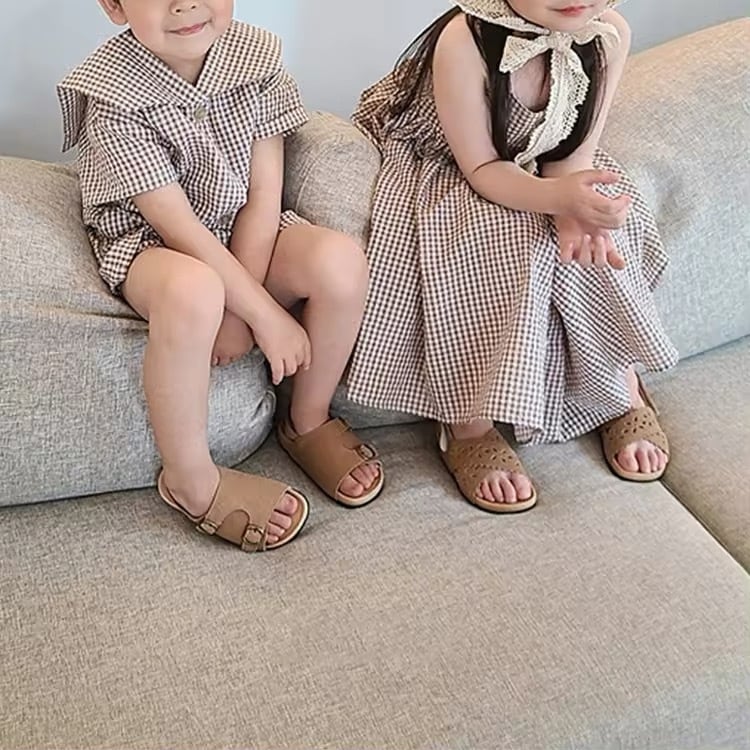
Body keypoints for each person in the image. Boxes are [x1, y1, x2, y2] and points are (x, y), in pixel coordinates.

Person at [58, 0, 383, 553]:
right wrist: (259, 315)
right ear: (114, 5)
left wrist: (241, 309)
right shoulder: (112, 97)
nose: (185, 4)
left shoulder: (257, 58)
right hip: (153, 242)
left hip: (238, 228)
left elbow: (262, 196)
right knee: (195, 289)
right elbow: (180, 228)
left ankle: (307, 419)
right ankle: (190, 481)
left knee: (339, 260)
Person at [347, 0, 676, 513]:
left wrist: (572, 205)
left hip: (540, 160)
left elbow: (574, 149)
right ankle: (466, 421)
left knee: (604, 231)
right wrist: (554, 199)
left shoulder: (609, 32)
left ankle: (618, 384)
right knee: (489, 241)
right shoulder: (465, 40)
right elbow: (480, 167)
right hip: (456, 161)